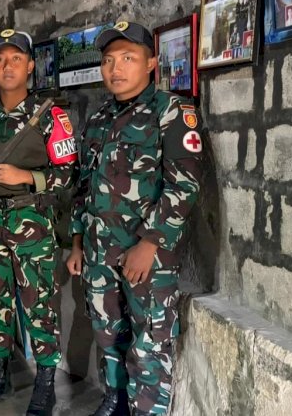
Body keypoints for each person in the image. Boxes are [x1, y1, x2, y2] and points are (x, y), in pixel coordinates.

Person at [66, 22, 203, 416]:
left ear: (151, 63)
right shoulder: (98, 119)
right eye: (109, 60)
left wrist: (149, 243)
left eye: (128, 58)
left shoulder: (171, 112)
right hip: (98, 252)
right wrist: (77, 243)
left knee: (149, 343)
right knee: (107, 333)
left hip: (148, 257)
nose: (116, 68)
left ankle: (147, 410)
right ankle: (116, 400)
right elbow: (83, 187)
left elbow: (184, 185)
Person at [0, 28, 78, 416]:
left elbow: (70, 174)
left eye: (16, 59)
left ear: (30, 66)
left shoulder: (51, 116)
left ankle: (45, 385)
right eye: (0, 60)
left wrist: (27, 177)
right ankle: (0, 376)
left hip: (32, 223)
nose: (8, 66)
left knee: (40, 306)